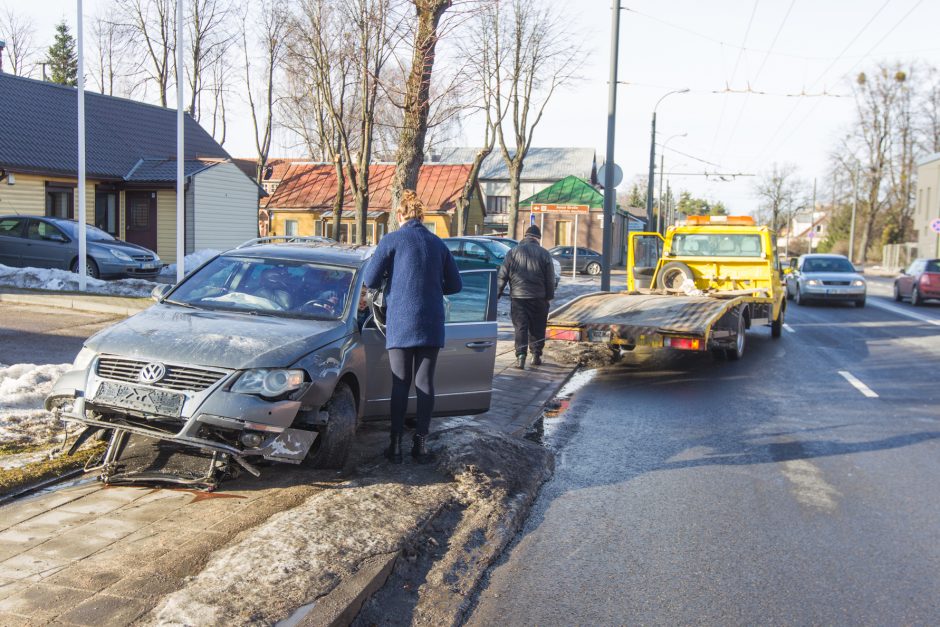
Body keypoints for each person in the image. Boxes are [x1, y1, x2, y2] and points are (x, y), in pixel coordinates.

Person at [361, 189, 462, 464]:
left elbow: (369, 279)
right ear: (421, 215)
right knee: (425, 383)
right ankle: (421, 446)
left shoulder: (392, 240)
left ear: (399, 214)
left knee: (400, 384)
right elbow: (455, 285)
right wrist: (430, 285)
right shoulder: (438, 244)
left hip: (401, 322)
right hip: (430, 322)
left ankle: (395, 446)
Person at [497, 224, 555, 369]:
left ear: (525, 237)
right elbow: (550, 279)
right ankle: (536, 355)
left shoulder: (513, 252)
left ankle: (521, 357)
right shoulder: (545, 254)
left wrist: (496, 295)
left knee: (521, 327)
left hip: (518, 298)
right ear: (538, 239)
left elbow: (502, 276)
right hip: (539, 298)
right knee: (538, 326)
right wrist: (548, 297)